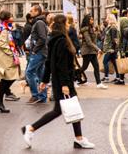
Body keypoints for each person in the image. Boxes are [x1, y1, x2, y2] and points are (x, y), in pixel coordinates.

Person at [21, 14, 95, 150]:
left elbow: (49, 62)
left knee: (70, 108)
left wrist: (44, 80)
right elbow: (60, 65)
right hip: (63, 81)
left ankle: (79, 139)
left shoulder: (55, 39)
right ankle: (30, 128)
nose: (69, 25)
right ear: (63, 24)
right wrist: (65, 85)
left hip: (60, 81)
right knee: (62, 109)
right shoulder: (61, 41)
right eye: (67, 23)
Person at [0, 11, 20, 113]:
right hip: (5, 58)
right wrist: (12, 53)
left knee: (9, 78)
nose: (13, 17)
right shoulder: (4, 29)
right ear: (7, 18)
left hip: (4, 57)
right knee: (7, 78)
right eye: (11, 15)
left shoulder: (4, 27)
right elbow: (2, 44)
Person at [25, 5, 48, 104]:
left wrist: (34, 50)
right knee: (40, 74)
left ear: (37, 12)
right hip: (40, 51)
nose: (30, 12)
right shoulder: (39, 22)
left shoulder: (39, 23)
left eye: (32, 11)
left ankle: (35, 95)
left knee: (29, 72)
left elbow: (42, 38)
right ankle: (42, 96)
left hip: (39, 52)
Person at [79, 14, 107, 89]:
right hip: (87, 51)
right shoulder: (85, 29)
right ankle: (73, 77)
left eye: (92, 19)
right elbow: (88, 42)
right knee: (84, 67)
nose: (92, 21)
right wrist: (98, 49)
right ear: (87, 21)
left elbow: (95, 39)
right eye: (91, 19)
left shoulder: (91, 28)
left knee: (96, 66)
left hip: (92, 51)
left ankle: (99, 83)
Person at [101, 14, 120, 82]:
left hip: (110, 49)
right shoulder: (110, 27)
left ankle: (106, 77)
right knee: (114, 63)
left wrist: (113, 49)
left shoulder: (113, 28)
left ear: (110, 19)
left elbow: (114, 39)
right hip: (110, 48)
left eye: (107, 18)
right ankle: (118, 77)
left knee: (105, 61)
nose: (106, 19)